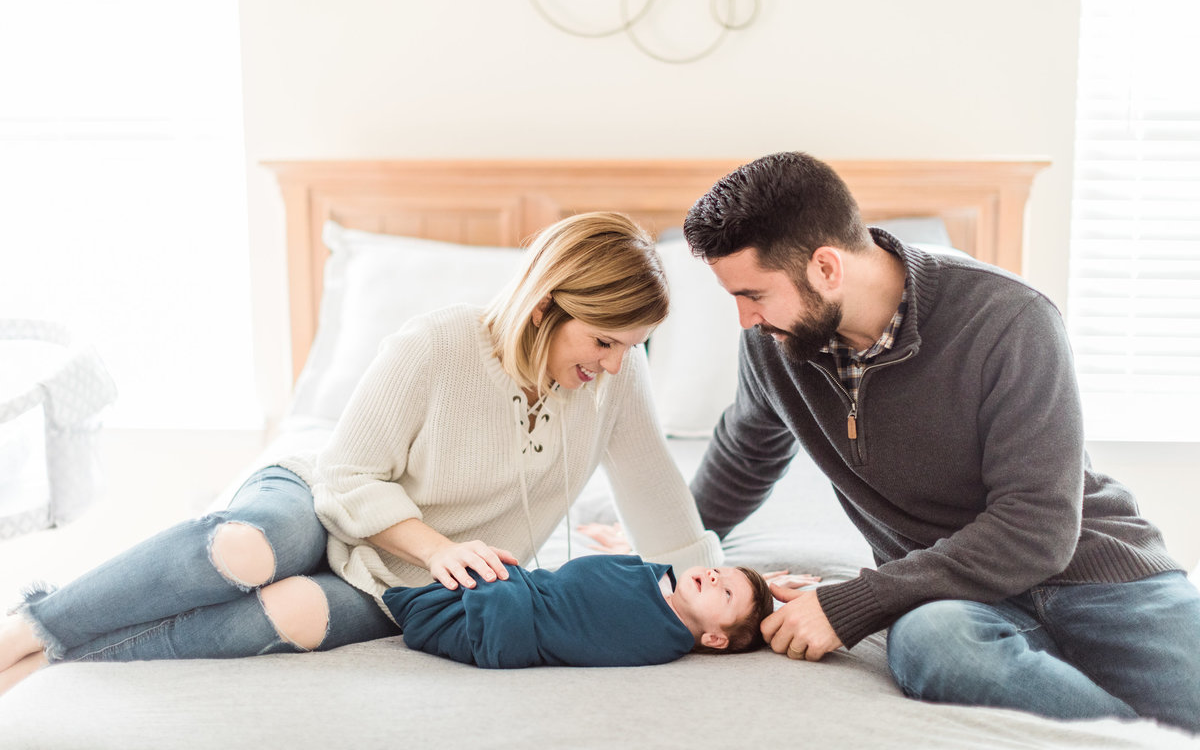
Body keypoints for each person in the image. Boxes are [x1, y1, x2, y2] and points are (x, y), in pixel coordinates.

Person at [0, 211, 721, 695]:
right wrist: (436, 544)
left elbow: (656, 495)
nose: (619, 364)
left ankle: (52, 673)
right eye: (604, 341)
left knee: (291, 616)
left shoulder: (613, 385)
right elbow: (346, 473)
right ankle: (28, 629)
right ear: (545, 308)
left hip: (408, 582)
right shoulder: (438, 342)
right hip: (322, 498)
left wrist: (730, 591)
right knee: (250, 549)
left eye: (633, 345)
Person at [681, 151, 1200, 733]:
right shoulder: (775, 346)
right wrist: (669, 549)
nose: (747, 320)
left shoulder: (1010, 319)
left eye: (753, 295)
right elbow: (746, 453)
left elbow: (1038, 527)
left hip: (1099, 573)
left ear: (827, 268)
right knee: (936, 646)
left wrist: (853, 602)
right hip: (954, 601)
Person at [383, 555, 773, 668]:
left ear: (715, 638)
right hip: (532, 589)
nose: (713, 575)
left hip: (513, 626)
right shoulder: (656, 580)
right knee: (489, 565)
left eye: (725, 593)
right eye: (719, 571)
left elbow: (583, 631)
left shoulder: (659, 639)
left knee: (490, 580)